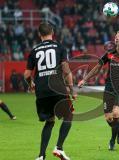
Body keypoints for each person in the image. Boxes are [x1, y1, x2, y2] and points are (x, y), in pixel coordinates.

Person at [78, 30, 119, 150]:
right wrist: (85, 79)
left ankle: (112, 141)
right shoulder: (109, 54)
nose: (116, 38)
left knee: (116, 112)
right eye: (115, 36)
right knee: (108, 118)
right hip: (109, 88)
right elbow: (97, 68)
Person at [24, 22, 77, 160]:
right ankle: (59, 148)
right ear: (52, 32)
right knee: (69, 116)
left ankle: (41, 156)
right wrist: (72, 89)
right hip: (57, 88)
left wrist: (30, 85)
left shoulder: (34, 50)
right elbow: (66, 70)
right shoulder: (59, 47)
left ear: (38, 34)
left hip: (42, 91)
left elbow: (27, 75)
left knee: (49, 121)